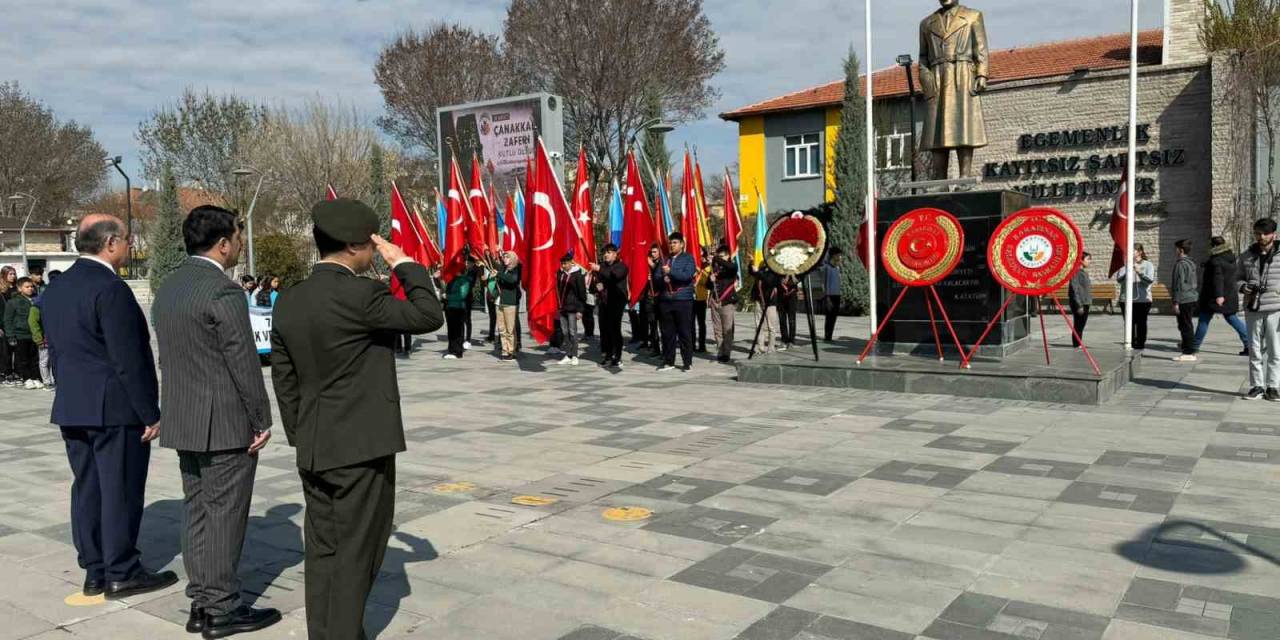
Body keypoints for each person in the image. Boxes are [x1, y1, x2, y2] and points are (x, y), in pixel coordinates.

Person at [270, 199, 443, 640]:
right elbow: (428, 314)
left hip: (314, 444)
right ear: (353, 246)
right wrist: (404, 262)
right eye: (370, 243)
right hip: (361, 449)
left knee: (323, 551)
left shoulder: (290, 299)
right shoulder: (362, 295)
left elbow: (285, 380)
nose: (375, 250)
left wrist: (300, 433)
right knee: (356, 554)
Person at [151, 205, 281, 638]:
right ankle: (222, 608)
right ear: (223, 243)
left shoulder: (170, 286)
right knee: (225, 515)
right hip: (224, 421)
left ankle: (202, 602)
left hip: (184, 417)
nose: (240, 244)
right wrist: (260, 419)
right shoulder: (223, 291)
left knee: (198, 512)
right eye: (239, 237)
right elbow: (243, 362)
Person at [41, 214, 178, 601]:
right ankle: (122, 570)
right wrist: (150, 412)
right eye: (128, 240)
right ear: (111, 243)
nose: (131, 246)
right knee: (119, 488)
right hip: (114, 408)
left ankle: (95, 569)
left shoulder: (58, 288)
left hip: (72, 403)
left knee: (88, 489)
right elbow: (128, 359)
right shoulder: (110, 289)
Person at [1238, 218, 1280, 401]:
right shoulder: (1247, 255)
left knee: (1274, 349)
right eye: (1257, 234)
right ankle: (1257, 386)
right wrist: (1242, 286)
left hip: (1275, 306)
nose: (1261, 237)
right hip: (1253, 306)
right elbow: (1236, 277)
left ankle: (1273, 386)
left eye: (1264, 233)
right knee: (1254, 349)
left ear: (1274, 234)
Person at [1194, 236, 1250, 356]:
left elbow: (1217, 278)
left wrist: (1219, 296)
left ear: (1214, 247)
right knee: (1233, 319)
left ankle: (1193, 346)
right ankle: (1249, 344)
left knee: (1204, 320)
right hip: (1230, 294)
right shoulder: (1230, 258)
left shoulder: (1216, 261)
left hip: (1214, 296)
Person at [653, 233, 697, 371]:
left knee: (684, 331)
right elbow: (657, 278)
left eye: (675, 243)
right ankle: (668, 360)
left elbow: (687, 275)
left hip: (683, 300)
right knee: (667, 333)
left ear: (682, 244)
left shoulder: (688, 258)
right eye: (671, 243)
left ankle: (687, 362)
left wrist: (671, 272)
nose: (672, 245)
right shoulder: (664, 259)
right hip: (666, 300)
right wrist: (662, 278)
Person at [594, 244, 629, 368]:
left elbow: (614, 276)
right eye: (604, 253)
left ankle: (617, 356)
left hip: (616, 301)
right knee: (604, 330)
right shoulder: (602, 266)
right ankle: (607, 355)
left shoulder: (621, 266)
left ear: (615, 254)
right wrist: (597, 286)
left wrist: (599, 270)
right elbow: (595, 282)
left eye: (609, 252)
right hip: (603, 302)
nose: (606, 255)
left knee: (614, 329)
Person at [1116, 243, 1155, 350]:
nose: (1129, 252)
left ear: (1140, 252)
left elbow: (1149, 280)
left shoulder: (1148, 265)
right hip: (1126, 300)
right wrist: (1128, 269)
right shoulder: (1125, 265)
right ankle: (1131, 342)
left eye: (1132, 250)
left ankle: (1141, 343)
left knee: (1141, 322)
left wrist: (1139, 272)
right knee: (1129, 323)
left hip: (1143, 300)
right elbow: (1119, 280)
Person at [6, 276, 41, 388]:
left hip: (34, 334)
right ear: (20, 288)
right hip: (20, 334)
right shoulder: (13, 302)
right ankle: (26, 378)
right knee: (23, 358)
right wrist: (10, 335)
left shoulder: (37, 300)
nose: (30, 289)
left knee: (35, 358)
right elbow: (8, 320)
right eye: (27, 287)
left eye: (31, 286)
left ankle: (35, 377)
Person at [28, 271, 59, 390]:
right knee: (44, 361)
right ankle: (47, 382)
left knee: (53, 361)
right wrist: (38, 337)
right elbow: (33, 321)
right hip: (45, 337)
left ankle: (55, 381)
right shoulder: (42, 298)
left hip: (55, 336)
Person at [555, 253, 588, 366]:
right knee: (565, 332)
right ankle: (568, 354)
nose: (564, 266)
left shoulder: (577, 275)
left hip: (573, 308)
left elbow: (582, 294)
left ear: (571, 262)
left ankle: (574, 355)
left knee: (573, 332)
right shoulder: (560, 274)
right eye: (562, 263)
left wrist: (580, 310)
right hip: (562, 307)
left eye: (566, 263)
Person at [708, 245, 739, 363]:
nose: (719, 259)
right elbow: (708, 285)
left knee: (727, 329)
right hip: (715, 301)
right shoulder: (715, 269)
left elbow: (730, 266)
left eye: (722, 256)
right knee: (717, 329)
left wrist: (716, 258)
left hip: (727, 302)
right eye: (718, 256)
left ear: (727, 256)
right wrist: (710, 280)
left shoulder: (732, 268)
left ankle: (727, 352)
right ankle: (720, 351)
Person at [1171, 239, 1200, 362]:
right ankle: (1188, 347)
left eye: (1176, 249)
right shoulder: (1191, 263)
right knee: (1187, 324)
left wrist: (1176, 301)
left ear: (1180, 250)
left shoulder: (1180, 264)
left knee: (1185, 325)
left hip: (1184, 298)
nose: (1175, 251)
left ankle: (1188, 352)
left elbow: (1178, 284)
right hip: (1192, 297)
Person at [442, 260, 474, 360]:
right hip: (449, 308)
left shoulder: (464, 280)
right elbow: (442, 286)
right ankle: (451, 349)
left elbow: (462, 295)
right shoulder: (451, 279)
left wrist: (448, 296)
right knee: (451, 330)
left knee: (458, 331)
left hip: (459, 308)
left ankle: (457, 351)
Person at [494, 251, 522, 361]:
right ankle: (505, 350)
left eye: (507, 257)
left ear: (513, 258)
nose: (505, 259)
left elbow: (512, 280)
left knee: (510, 329)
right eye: (504, 257)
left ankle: (512, 350)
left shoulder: (516, 269)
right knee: (501, 328)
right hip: (499, 301)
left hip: (510, 302)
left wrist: (499, 274)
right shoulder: (503, 269)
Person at [750, 262, 782, 354]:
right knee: (759, 326)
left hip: (770, 302)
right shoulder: (761, 271)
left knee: (771, 326)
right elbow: (752, 272)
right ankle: (760, 347)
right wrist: (751, 263)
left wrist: (759, 273)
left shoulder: (774, 272)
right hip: (759, 300)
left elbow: (769, 281)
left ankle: (771, 347)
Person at [1068, 252, 1092, 348]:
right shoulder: (1075, 272)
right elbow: (1075, 289)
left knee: (1081, 325)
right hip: (1080, 303)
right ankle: (1077, 344)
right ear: (1081, 260)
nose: (1089, 262)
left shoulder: (1083, 272)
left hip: (1085, 302)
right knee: (1078, 324)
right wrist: (1079, 305)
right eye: (1088, 259)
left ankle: (1078, 342)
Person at [822, 248, 843, 342]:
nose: (840, 257)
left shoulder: (838, 268)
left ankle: (830, 335)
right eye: (838, 255)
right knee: (829, 317)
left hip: (837, 295)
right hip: (829, 296)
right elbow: (825, 284)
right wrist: (827, 298)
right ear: (833, 256)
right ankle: (827, 336)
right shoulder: (827, 268)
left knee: (834, 317)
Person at [693, 249, 712, 353]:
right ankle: (691, 344)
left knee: (701, 323)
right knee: (690, 323)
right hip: (690, 298)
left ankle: (701, 345)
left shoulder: (707, 267)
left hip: (701, 298)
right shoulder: (690, 265)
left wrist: (699, 271)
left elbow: (706, 282)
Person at [777, 274, 798, 350]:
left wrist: (791, 276)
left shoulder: (795, 269)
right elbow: (780, 281)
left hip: (792, 296)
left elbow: (796, 281)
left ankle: (791, 341)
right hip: (781, 296)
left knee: (792, 319)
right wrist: (785, 278)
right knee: (782, 319)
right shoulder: (779, 270)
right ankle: (784, 340)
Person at [0, 266, 13, 385]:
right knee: (4, 351)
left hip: (12, 323)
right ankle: (4, 373)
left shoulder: (15, 289)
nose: (13, 276)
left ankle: (11, 372)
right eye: (10, 274)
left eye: (14, 274)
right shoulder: (2, 291)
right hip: (3, 324)